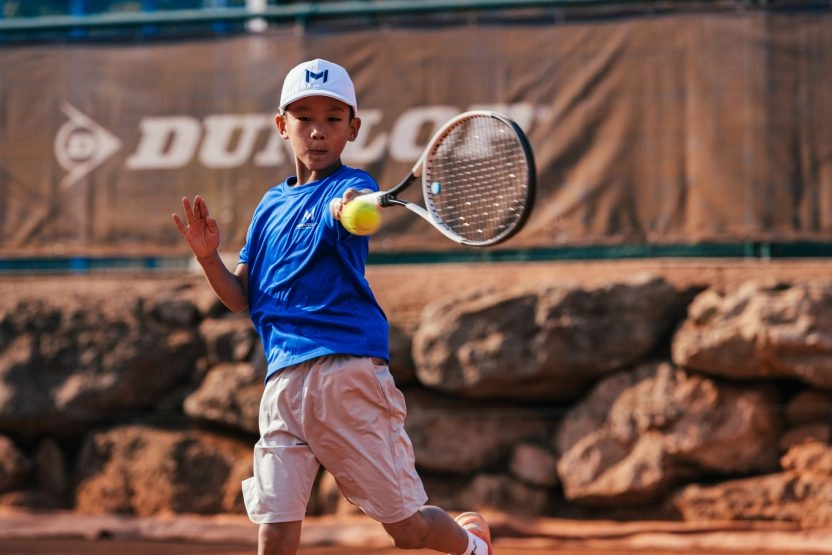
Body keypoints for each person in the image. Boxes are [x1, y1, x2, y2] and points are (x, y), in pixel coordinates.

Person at [172, 58, 494, 555]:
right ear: (282, 125)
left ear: (352, 129)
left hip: (347, 376)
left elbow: (350, 207)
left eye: (332, 119)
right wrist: (208, 256)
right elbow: (240, 298)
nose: (318, 131)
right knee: (276, 527)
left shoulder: (355, 187)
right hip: (281, 384)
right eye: (304, 117)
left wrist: (345, 210)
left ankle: (473, 547)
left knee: (406, 530)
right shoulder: (267, 208)